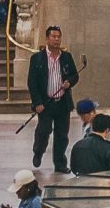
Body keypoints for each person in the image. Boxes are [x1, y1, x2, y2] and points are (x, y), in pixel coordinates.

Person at [26, 27, 80, 174]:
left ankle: (60, 163)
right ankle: (38, 152)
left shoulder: (66, 57)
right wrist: (37, 103)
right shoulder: (37, 58)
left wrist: (69, 82)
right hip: (45, 103)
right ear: (47, 39)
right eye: (53, 37)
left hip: (62, 102)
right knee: (43, 131)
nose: (56, 40)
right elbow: (32, 83)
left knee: (62, 135)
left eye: (58, 37)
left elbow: (75, 75)